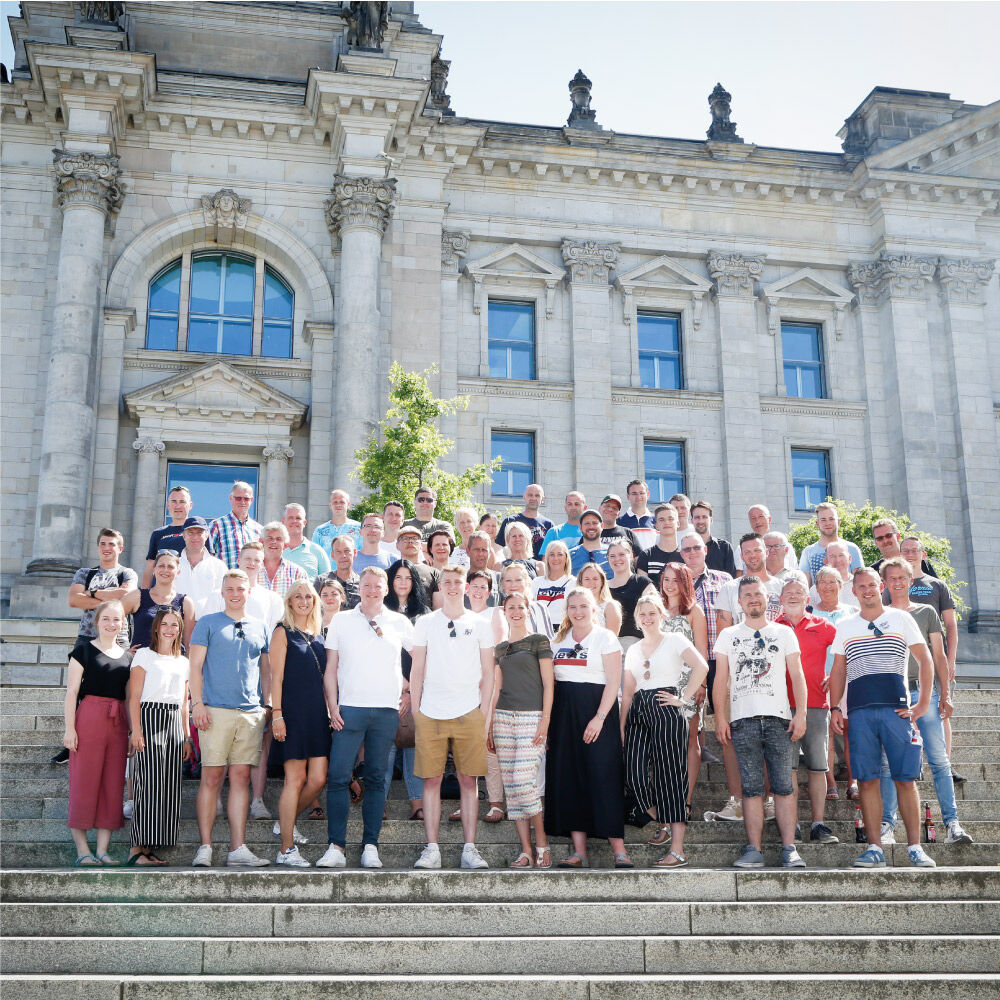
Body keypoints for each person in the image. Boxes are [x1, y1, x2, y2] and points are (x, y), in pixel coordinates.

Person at [828, 567, 937, 868]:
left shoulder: (901, 618)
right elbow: (838, 670)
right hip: (860, 712)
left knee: (905, 779)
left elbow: (925, 660)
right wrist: (835, 707)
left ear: (881, 586)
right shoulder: (847, 626)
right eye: (860, 586)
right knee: (867, 780)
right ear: (854, 590)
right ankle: (874, 847)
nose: (866, 590)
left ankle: (914, 847)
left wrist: (923, 704)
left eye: (871, 585)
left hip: (896, 710)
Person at [713, 577, 808, 869]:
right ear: (739, 602)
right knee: (751, 788)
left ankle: (789, 848)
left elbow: (797, 674)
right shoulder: (728, 635)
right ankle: (753, 849)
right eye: (747, 595)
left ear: (767, 598)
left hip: (780, 719)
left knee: (783, 786)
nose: (753, 599)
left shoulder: (783, 633)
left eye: (758, 594)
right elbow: (720, 680)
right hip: (742, 720)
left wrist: (801, 713)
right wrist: (720, 716)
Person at [878, 558, 971, 846]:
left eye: (902, 578)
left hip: (925, 691)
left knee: (939, 760)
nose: (897, 582)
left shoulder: (926, 611)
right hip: (891, 694)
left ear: (910, 580)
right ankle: (887, 825)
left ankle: (952, 824)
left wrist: (946, 694)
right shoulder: (878, 614)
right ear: (885, 583)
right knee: (887, 762)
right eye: (891, 578)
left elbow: (938, 655)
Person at [409, 566, 495, 870]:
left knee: (468, 781)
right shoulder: (426, 623)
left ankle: (469, 848)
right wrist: (417, 710)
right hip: (431, 711)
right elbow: (416, 668)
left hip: (469, 711)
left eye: (458, 582)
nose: (453, 587)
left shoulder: (481, 624)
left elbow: (489, 672)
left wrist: (483, 713)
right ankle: (432, 848)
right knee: (431, 780)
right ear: (440, 587)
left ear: (468, 587)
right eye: (447, 582)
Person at [189, 569, 272, 868]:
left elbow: (266, 670)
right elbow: (195, 667)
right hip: (214, 711)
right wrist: (196, 703)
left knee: (240, 779)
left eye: (240, 588)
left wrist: (268, 704)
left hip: (249, 713)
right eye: (230, 588)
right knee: (212, 777)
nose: (235, 593)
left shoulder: (260, 627)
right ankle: (205, 847)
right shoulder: (208, 623)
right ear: (222, 592)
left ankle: (238, 848)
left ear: (249, 591)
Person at [621, 593, 709, 868]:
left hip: (665, 705)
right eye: (642, 614)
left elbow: (701, 666)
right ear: (637, 619)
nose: (647, 619)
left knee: (670, 775)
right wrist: (621, 725)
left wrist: (683, 698)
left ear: (661, 615)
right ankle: (661, 816)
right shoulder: (633, 649)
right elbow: (628, 689)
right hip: (637, 710)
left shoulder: (674, 640)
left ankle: (678, 849)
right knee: (633, 773)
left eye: (652, 613)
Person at [546, 587, 631, 868]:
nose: (578, 612)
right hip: (563, 715)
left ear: (594, 609)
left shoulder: (605, 637)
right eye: (573, 607)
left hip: (597, 712)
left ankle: (619, 851)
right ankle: (579, 852)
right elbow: (551, 684)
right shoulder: (558, 639)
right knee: (569, 780)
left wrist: (600, 717)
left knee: (603, 776)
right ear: (567, 611)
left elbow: (613, 681)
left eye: (584, 606)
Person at [63, 600, 132, 865]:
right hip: (89, 717)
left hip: (118, 722)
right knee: (84, 781)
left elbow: (128, 698)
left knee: (112, 785)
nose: (112, 624)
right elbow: (71, 692)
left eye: (117, 619)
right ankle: (83, 850)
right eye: (107, 619)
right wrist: (70, 729)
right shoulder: (83, 651)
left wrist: (130, 732)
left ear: (123, 623)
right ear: (97, 621)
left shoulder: (128, 658)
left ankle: (103, 850)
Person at [489, 592, 554, 868]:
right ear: (505, 612)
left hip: (532, 717)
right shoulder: (500, 648)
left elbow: (549, 684)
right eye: (510, 608)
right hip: (503, 718)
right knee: (511, 786)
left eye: (520, 607)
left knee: (523, 781)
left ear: (528, 610)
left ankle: (542, 843)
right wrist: (489, 725)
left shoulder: (539, 641)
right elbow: (496, 689)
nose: (515, 611)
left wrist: (545, 721)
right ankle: (526, 850)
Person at [775, 573, 840, 846]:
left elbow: (843, 654)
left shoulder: (824, 626)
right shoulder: (771, 627)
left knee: (817, 766)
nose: (792, 596)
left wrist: (833, 675)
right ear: (780, 599)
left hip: (815, 703)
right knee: (787, 768)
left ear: (808, 598)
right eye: (787, 593)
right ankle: (793, 825)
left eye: (798, 593)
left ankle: (818, 823)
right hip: (778, 706)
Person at [270, 580, 331, 866]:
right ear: (290, 601)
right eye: (298, 596)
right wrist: (277, 713)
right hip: (292, 712)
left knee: (318, 778)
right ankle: (286, 849)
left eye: (309, 596)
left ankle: (286, 821)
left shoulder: (320, 634)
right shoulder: (282, 632)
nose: (304, 600)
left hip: (318, 713)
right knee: (295, 779)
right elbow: (276, 678)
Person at [126, 607, 191, 865]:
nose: (169, 629)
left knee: (168, 786)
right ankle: (135, 850)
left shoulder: (183, 661)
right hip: (149, 717)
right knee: (148, 783)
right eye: (165, 624)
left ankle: (150, 848)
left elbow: (185, 703)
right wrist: (137, 730)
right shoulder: (144, 655)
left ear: (180, 629)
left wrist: (186, 736)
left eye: (174, 625)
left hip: (174, 720)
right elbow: (134, 697)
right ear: (156, 627)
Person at [659, 562, 710, 822]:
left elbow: (701, 649)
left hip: (688, 682)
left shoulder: (694, 611)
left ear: (685, 583)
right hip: (659, 683)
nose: (669, 584)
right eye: (666, 579)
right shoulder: (655, 609)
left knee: (690, 739)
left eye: (675, 580)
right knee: (662, 743)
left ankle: (686, 800)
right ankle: (664, 797)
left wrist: (701, 685)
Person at [384, 559, 431, 821]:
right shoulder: (380, 611)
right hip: (386, 688)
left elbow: (427, 656)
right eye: (398, 577)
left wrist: (412, 691)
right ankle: (379, 803)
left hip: (417, 691)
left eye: (408, 578)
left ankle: (417, 805)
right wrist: (399, 684)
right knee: (386, 749)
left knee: (412, 744)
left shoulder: (423, 614)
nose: (403, 583)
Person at [811, 565, 859, 801]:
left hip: (850, 678)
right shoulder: (810, 613)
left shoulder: (854, 612)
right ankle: (829, 782)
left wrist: (841, 673)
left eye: (833, 582)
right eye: (823, 582)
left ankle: (853, 781)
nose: (828, 586)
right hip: (818, 680)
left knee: (850, 731)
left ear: (841, 586)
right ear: (816, 587)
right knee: (826, 734)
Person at [68, 528, 139, 650]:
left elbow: (125, 596)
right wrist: (113, 601)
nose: (106, 548)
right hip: (87, 639)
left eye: (112, 544)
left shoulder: (127, 573)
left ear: (120, 549)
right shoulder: (84, 573)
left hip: (118, 640)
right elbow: (74, 600)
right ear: (98, 548)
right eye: (103, 544)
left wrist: (91, 593)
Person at [122, 550, 196, 651]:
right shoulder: (138, 596)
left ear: (178, 572)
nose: (165, 570)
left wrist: (188, 665)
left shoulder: (186, 603)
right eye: (161, 566)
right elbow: (111, 616)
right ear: (154, 569)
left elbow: (188, 643)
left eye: (170, 567)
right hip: (140, 664)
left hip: (172, 663)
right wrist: (123, 651)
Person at [141, 485, 194, 588]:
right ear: (168, 505)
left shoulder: (199, 533)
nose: (178, 506)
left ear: (190, 505)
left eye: (182, 502)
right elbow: (150, 568)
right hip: (160, 594)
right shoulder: (158, 533)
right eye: (174, 501)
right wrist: (143, 596)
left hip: (189, 592)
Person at [798, 502, 864, 585]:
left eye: (831, 519)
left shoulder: (852, 548)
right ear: (817, 524)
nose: (828, 523)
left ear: (838, 522)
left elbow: (860, 582)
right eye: (823, 520)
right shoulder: (808, 552)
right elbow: (805, 585)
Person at [175, 516, 228, 617]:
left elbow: (224, 599)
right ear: (184, 536)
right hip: (178, 624)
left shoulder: (219, 566)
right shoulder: (174, 565)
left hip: (209, 625)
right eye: (191, 532)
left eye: (199, 533)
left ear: (207, 536)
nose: (195, 537)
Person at [606, 540, 653, 652]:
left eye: (622, 554)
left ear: (631, 556)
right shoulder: (603, 587)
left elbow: (654, 612)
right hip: (607, 644)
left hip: (634, 645)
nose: (617, 559)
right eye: (612, 556)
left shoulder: (643, 583)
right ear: (608, 559)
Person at [208, 480, 262, 570]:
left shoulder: (259, 530)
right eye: (238, 498)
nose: (242, 502)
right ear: (231, 498)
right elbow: (208, 558)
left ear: (251, 500)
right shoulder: (216, 525)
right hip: (225, 582)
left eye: (246, 498)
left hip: (250, 582)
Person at [736, 505, 799, 573]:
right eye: (753, 518)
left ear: (769, 519)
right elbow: (739, 575)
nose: (757, 521)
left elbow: (795, 571)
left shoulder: (785, 546)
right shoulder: (742, 548)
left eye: (761, 516)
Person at [636, 504, 684, 590]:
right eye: (662, 519)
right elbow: (643, 588)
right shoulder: (646, 555)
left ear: (678, 523)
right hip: (654, 602)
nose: (666, 522)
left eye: (671, 519)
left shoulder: (685, 555)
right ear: (656, 525)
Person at [497, 483, 553, 558]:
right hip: (514, 567)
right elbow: (499, 549)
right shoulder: (510, 521)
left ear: (542, 499)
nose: (533, 498)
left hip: (539, 568)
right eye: (530, 495)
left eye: (537, 495)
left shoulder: (548, 525)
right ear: (524, 497)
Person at [870, 517, 938, 578]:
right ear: (876, 543)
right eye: (880, 538)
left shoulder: (918, 561)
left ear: (898, 536)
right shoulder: (872, 573)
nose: (885, 540)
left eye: (888, 535)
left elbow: (937, 588)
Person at [532, 540, 574, 633]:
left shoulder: (573, 582)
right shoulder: (536, 582)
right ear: (546, 558)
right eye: (552, 555)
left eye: (560, 554)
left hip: (564, 631)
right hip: (540, 631)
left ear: (566, 557)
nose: (556, 558)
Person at [282, 503, 332, 579]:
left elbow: (327, 582)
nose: (294, 521)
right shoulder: (274, 550)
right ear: (283, 522)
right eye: (290, 518)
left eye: (298, 518)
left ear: (304, 523)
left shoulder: (317, 551)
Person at [690, 499, 737, 578]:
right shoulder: (686, 548)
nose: (700, 521)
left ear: (711, 520)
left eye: (704, 517)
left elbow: (731, 578)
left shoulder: (725, 547)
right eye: (697, 517)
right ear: (692, 521)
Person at [259, 522, 308, 595]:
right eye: (270, 538)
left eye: (279, 539)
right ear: (261, 542)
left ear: (285, 545)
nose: (274, 542)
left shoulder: (297, 573)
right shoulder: (251, 570)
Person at [311, 488, 362, 556]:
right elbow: (314, 556)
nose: (338, 505)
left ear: (348, 504)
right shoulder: (320, 531)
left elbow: (364, 553)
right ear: (330, 505)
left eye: (342, 502)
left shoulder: (359, 528)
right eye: (335, 502)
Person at [808, 541, 858, 609]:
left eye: (841, 555)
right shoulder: (815, 590)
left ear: (849, 559)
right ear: (826, 561)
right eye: (832, 556)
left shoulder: (859, 585)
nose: (837, 560)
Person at [576, 562, 622, 635]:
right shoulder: (574, 606)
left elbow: (611, 640)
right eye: (587, 579)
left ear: (602, 582)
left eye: (595, 579)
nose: (591, 583)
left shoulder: (610, 606)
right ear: (581, 582)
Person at [617, 479, 657, 551]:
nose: (638, 497)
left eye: (641, 493)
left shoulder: (658, 520)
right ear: (628, 496)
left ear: (647, 495)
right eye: (634, 493)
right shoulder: (619, 522)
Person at [569, 509, 610, 575]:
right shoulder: (570, 556)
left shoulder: (612, 554)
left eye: (595, 523)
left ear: (602, 526)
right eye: (587, 523)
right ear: (580, 527)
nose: (591, 527)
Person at [327, 535, 361, 609]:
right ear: (332, 555)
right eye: (338, 552)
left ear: (355, 553)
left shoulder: (363, 583)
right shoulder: (322, 581)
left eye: (347, 551)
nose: (343, 555)